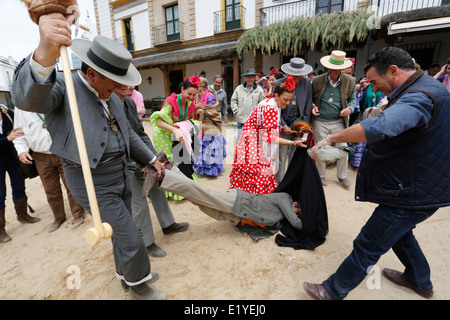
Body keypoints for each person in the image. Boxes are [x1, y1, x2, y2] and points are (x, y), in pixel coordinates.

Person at [11, 12, 165, 300]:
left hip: (119, 173)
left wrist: (150, 159)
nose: (120, 88)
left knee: (122, 231)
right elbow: (29, 98)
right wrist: (45, 52)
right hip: (90, 179)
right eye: (113, 82)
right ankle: (139, 286)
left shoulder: (114, 96)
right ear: (91, 73)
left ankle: (127, 276)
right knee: (130, 236)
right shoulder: (65, 87)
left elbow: (130, 134)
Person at [303, 46, 450, 300]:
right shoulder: (425, 87)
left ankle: (332, 290)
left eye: (374, 82)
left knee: (369, 243)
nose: (373, 87)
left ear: (393, 71)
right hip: (420, 184)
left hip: (414, 190)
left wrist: (332, 139)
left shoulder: (420, 95)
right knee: (400, 234)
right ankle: (419, 280)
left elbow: (383, 126)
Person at [114, 85, 189, 258]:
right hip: (124, 161)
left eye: (131, 83)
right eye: (125, 83)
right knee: (139, 202)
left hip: (143, 156)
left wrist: (154, 158)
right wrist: (142, 160)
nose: (130, 87)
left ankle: (168, 224)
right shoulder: (108, 105)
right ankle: (147, 242)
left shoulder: (130, 104)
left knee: (157, 189)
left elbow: (140, 133)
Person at [229, 77, 307, 227]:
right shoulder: (271, 107)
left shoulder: (270, 102)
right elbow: (271, 137)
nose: (287, 103)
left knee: (251, 177)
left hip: (250, 140)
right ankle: (253, 211)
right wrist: (293, 142)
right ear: (276, 96)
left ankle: (246, 208)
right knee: (259, 177)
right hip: (253, 143)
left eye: (290, 100)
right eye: (285, 99)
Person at [13, 107, 85, 232]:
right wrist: (22, 151)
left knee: (71, 184)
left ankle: (78, 214)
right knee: (50, 189)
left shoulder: (52, 96)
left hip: (63, 150)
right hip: (40, 156)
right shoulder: (20, 107)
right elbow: (19, 135)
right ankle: (58, 218)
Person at [150, 76, 202, 200]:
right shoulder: (171, 101)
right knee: (168, 162)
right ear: (182, 89)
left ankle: (182, 189)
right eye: (189, 94)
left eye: (194, 95)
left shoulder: (191, 104)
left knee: (182, 159)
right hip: (163, 134)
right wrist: (175, 130)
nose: (191, 98)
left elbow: (188, 121)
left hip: (178, 135)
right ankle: (168, 192)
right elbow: (159, 122)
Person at [311, 50, 356, 188]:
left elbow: (353, 99)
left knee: (343, 148)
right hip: (320, 121)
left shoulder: (350, 81)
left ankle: (342, 177)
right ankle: (320, 176)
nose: (332, 71)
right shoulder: (317, 80)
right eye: (330, 68)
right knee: (321, 149)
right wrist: (313, 106)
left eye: (336, 69)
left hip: (338, 121)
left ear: (341, 69)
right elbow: (310, 98)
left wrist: (349, 108)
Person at [1, 105, 40, 243]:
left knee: (19, 185)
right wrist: (7, 139)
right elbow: (10, 137)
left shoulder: (7, 113)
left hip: (11, 157)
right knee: (0, 194)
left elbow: (20, 130)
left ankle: (22, 215)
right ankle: (1, 229)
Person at [274, 57, 314, 183]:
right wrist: (283, 125)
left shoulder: (307, 82)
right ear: (288, 73)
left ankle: (290, 180)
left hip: (299, 121)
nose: (297, 78)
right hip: (284, 121)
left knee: (296, 153)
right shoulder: (278, 84)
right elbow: (275, 108)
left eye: (299, 76)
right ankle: (280, 181)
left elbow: (308, 104)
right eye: (294, 76)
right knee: (281, 153)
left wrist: (304, 125)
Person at [193, 77, 226, 177]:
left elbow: (213, 111)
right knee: (203, 147)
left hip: (211, 126)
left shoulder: (210, 96)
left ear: (201, 87)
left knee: (211, 147)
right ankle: (205, 169)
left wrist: (202, 111)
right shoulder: (197, 97)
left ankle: (212, 170)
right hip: (202, 125)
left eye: (196, 86)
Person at [230, 69, 265, 140]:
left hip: (253, 121)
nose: (250, 79)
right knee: (240, 141)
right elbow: (233, 101)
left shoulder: (259, 90)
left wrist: (258, 116)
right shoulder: (239, 89)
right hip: (241, 120)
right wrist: (236, 111)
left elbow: (262, 104)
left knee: (252, 142)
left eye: (252, 77)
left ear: (255, 78)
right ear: (245, 78)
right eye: (248, 77)